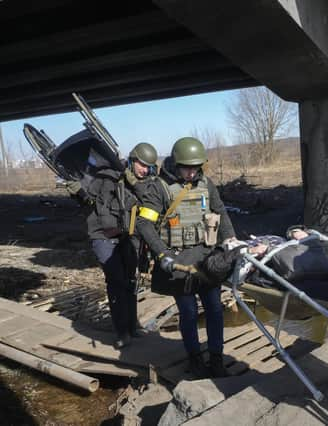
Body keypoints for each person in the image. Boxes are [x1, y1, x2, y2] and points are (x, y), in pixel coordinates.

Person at [135, 137, 236, 379]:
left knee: (214, 309)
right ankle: (195, 359)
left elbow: (220, 210)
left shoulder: (206, 183)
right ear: (176, 163)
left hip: (205, 257)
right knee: (189, 312)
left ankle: (217, 358)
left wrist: (230, 240)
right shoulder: (159, 188)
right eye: (187, 168)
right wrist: (163, 254)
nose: (191, 173)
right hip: (179, 261)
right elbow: (145, 224)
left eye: (196, 167)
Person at [68, 142, 158, 349]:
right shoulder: (107, 176)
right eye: (142, 165)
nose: (145, 170)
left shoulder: (143, 183)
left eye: (149, 167)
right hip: (102, 236)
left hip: (127, 236)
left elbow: (147, 203)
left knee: (131, 280)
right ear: (132, 160)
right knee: (116, 281)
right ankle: (121, 331)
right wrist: (75, 191)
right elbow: (88, 198)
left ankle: (133, 325)